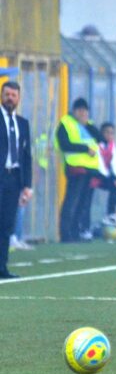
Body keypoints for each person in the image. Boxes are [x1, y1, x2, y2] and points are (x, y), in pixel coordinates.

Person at [56, 98, 101, 242]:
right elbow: (64, 145)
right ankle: (65, 234)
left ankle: (76, 231)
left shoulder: (89, 125)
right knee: (71, 201)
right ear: (74, 111)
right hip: (75, 168)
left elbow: (100, 138)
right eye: (80, 110)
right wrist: (85, 149)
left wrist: (87, 124)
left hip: (90, 169)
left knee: (83, 202)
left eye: (85, 111)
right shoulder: (65, 123)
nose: (83, 113)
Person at [0, 81, 32, 278]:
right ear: (1, 96)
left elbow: (26, 156)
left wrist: (27, 185)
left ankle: (2, 267)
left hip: (13, 179)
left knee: (6, 226)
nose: (10, 98)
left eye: (13, 95)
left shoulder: (22, 123)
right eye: (7, 94)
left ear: (19, 98)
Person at [96, 122, 116, 226]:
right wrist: (107, 176)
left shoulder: (112, 145)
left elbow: (115, 162)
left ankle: (111, 214)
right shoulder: (97, 144)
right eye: (106, 132)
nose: (109, 135)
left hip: (104, 175)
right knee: (86, 200)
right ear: (101, 133)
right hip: (96, 174)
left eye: (111, 133)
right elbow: (99, 162)